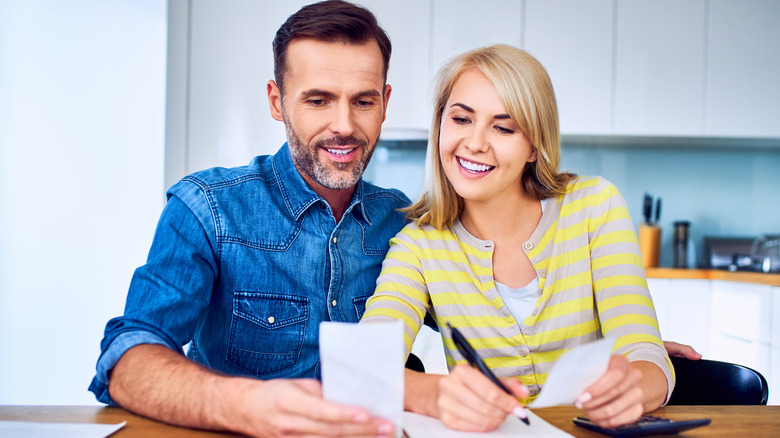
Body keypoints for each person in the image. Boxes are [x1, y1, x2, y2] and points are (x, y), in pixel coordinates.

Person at [89, 1, 406, 437]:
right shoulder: (206, 209)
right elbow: (127, 359)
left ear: (385, 103)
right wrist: (248, 405)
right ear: (277, 102)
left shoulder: (404, 222)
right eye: (318, 100)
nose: (344, 125)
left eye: (363, 101)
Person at [361, 44, 677, 432]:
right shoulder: (419, 246)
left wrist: (637, 384)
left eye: (503, 127)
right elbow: (363, 369)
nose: (475, 143)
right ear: (440, 124)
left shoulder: (594, 207)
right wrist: (436, 393)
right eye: (461, 119)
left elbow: (645, 353)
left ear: (534, 146)